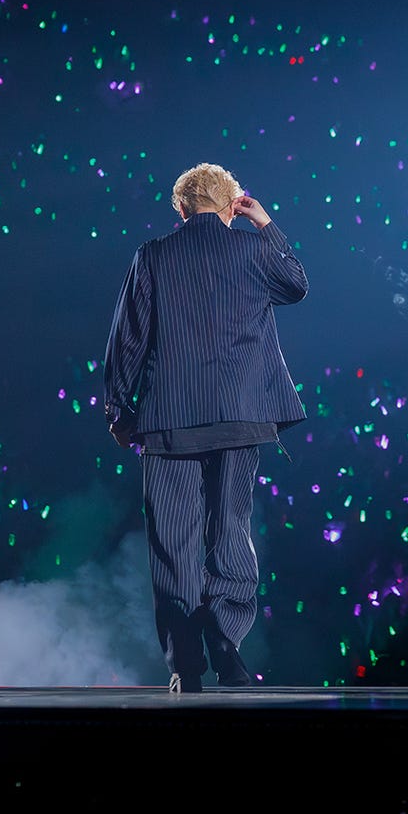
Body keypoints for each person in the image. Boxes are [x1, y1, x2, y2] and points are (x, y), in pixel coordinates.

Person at [103, 162, 308, 693]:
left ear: (180, 208)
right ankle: (226, 642)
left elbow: (128, 338)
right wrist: (266, 224)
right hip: (242, 416)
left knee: (173, 543)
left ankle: (186, 665)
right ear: (232, 206)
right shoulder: (253, 250)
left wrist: (119, 411)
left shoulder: (153, 255)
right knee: (230, 532)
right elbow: (296, 286)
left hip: (170, 420)